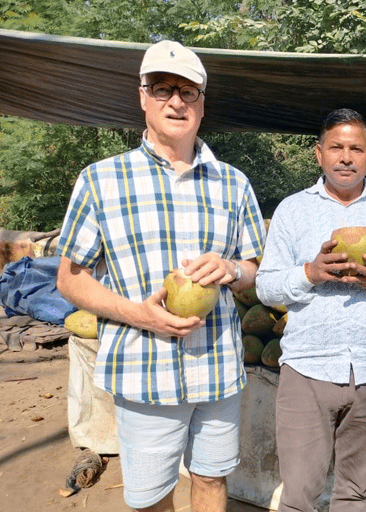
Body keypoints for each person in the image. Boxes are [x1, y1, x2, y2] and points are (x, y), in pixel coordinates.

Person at [56, 40, 266, 512]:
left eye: (188, 91)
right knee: (152, 498)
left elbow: (255, 271)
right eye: (163, 88)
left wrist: (233, 269)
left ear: (202, 103)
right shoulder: (101, 180)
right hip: (145, 371)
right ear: (143, 97)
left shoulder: (234, 182)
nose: (176, 101)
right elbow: (69, 280)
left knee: (211, 480)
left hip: (217, 367)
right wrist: (139, 314)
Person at [255, 108, 366, 512]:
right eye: (336, 147)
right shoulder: (293, 210)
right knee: (299, 496)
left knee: (354, 493)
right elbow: (264, 285)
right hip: (307, 369)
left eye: (355, 148)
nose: (345, 157)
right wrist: (311, 272)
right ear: (319, 154)